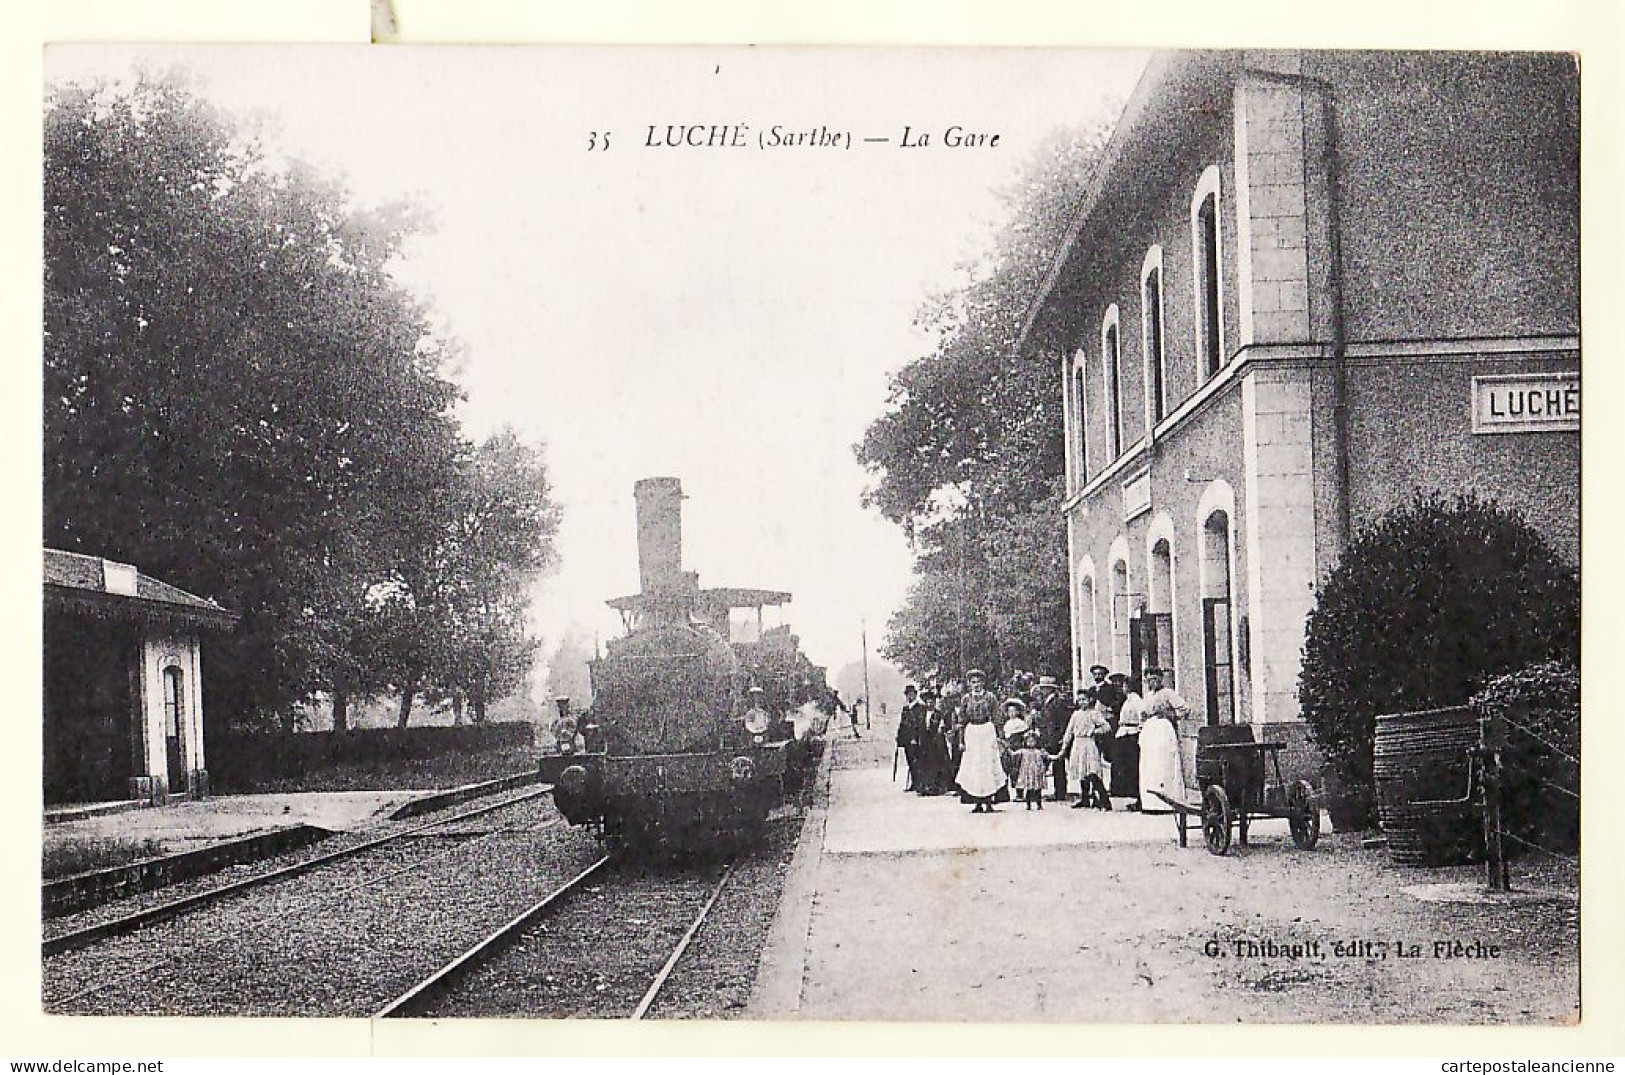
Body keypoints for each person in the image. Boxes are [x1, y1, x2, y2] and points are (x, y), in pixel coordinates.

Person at [1139, 667, 1192, 813]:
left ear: (1161, 679)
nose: (1152, 682)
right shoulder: (1147, 696)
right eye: (1149, 680)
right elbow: (1142, 714)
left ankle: (1168, 802)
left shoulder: (1168, 693)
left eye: (1155, 679)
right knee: (1150, 766)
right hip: (1150, 730)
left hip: (1163, 730)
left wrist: (1172, 715)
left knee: (1164, 764)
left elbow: (1185, 709)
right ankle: (1151, 803)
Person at [1062, 686, 1113, 810]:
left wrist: (1094, 731)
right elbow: (1069, 731)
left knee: (1092, 771)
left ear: (1090, 699)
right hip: (1077, 744)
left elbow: (1106, 727)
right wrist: (1064, 746)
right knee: (1081, 771)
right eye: (1079, 700)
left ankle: (1103, 800)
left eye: (1084, 699)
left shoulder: (1094, 713)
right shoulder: (1075, 714)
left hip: (1089, 744)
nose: (1082, 702)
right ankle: (1085, 799)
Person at [955, 694, 1008, 813]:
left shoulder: (990, 697)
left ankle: (989, 802)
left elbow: (997, 718)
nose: (977, 684)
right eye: (973, 682)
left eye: (979, 681)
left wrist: (1000, 738)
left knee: (988, 765)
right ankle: (977, 802)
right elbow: (961, 722)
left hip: (987, 732)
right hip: (972, 733)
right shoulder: (966, 699)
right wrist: (961, 741)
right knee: (974, 767)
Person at [1033, 676, 1072, 801]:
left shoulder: (1057, 702)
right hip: (1047, 737)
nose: (1043, 691)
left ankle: (1060, 792)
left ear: (1051, 689)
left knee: (1058, 765)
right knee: (1050, 764)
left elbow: (1062, 721)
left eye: (1045, 688)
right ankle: (1043, 791)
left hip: (1055, 737)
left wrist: (1061, 736)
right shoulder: (1044, 702)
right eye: (1042, 688)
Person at [1113, 676, 1145, 810]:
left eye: (1124, 686)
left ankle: (1138, 796)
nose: (1122, 689)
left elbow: (1141, 717)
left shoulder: (1136, 700)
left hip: (1132, 733)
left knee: (1133, 766)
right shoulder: (1127, 700)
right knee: (1124, 766)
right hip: (1124, 733)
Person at [916, 687, 951, 795]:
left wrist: (942, 729)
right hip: (924, 742)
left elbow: (944, 727)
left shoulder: (939, 714)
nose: (930, 704)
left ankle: (937, 787)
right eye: (928, 702)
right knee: (924, 764)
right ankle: (925, 786)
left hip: (936, 742)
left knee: (936, 764)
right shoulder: (921, 714)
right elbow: (918, 727)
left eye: (932, 702)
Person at [1011, 729, 1056, 810]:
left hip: (1037, 772)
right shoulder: (1023, 751)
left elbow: (1048, 756)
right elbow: (1014, 754)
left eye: (1033, 741)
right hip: (1027, 773)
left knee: (1038, 790)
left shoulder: (1040, 751)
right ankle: (1028, 805)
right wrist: (1007, 749)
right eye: (1029, 741)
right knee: (1028, 789)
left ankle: (1039, 804)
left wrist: (1057, 756)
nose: (1031, 743)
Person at [896, 685, 926, 793]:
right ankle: (914, 783)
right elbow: (902, 724)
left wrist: (916, 738)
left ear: (915, 694)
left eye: (912, 694)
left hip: (917, 739)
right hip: (907, 739)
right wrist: (899, 737)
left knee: (917, 761)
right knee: (910, 761)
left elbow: (920, 724)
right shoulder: (905, 709)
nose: (910, 696)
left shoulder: (920, 708)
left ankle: (920, 784)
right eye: (908, 694)